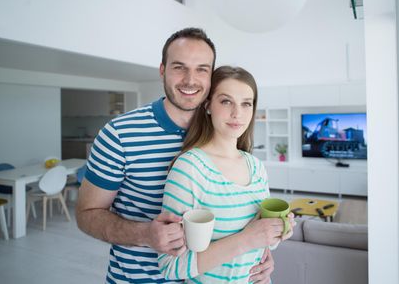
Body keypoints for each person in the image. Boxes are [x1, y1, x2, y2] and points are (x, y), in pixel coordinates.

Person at [76, 28, 275, 284]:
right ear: (162, 70)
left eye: (202, 69)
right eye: (179, 67)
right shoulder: (120, 134)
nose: (190, 80)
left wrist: (258, 255)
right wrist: (146, 234)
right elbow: (87, 214)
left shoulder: (226, 135)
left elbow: (236, 217)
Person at [158, 66, 295, 283]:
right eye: (226, 101)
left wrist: (276, 232)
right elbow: (170, 266)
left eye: (246, 103)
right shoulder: (190, 168)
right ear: (208, 105)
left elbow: (263, 243)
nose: (237, 113)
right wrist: (247, 239)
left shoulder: (256, 167)